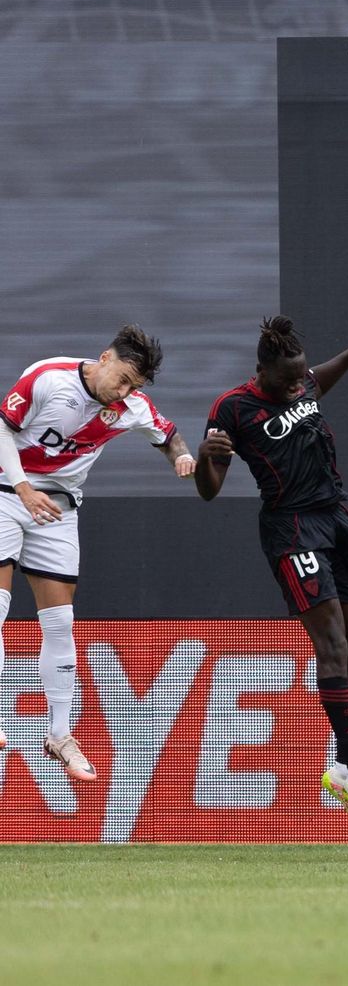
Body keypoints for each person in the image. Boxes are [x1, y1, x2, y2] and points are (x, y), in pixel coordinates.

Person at [194, 311, 348, 832]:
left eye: (302, 377)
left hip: (336, 519)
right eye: (288, 379)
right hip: (291, 530)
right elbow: (209, 488)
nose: (298, 385)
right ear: (262, 371)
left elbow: (320, 379)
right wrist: (205, 455)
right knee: (331, 644)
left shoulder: (302, 384)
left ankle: (341, 765)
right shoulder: (233, 408)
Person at [0, 326, 194, 778]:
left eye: (134, 386)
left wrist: (181, 458)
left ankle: (59, 734)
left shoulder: (131, 407)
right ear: (105, 358)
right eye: (123, 379)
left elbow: (169, 436)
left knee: (61, 622)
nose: (123, 392)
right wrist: (24, 488)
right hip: (8, 492)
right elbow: (2, 429)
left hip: (59, 509)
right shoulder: (48, 377)